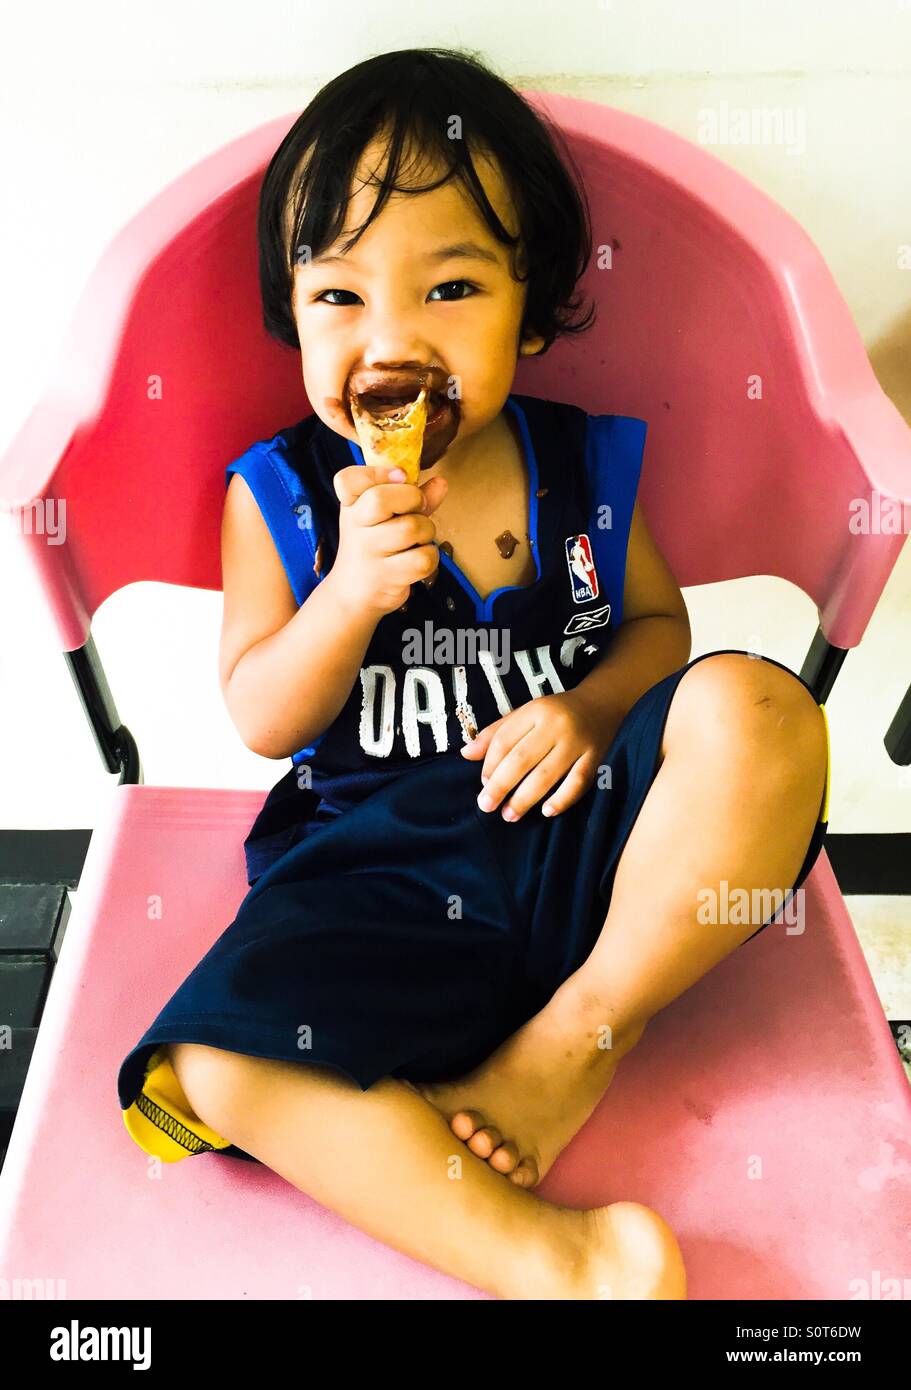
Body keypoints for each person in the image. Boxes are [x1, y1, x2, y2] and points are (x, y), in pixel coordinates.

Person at [117, 47, 830, 1301]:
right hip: (377, 879)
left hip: (595, 855)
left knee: (762, 705)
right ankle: (556, 1258)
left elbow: (657, 629)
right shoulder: (279, 499)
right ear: (291, 314)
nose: (390, 338)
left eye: (448, 286)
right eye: (338, 296)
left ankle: (578, 1038)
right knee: (212, 1067)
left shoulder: (582, 471)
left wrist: (591, 707)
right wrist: (344, 595)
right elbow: (258, 713)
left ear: (532, 307)